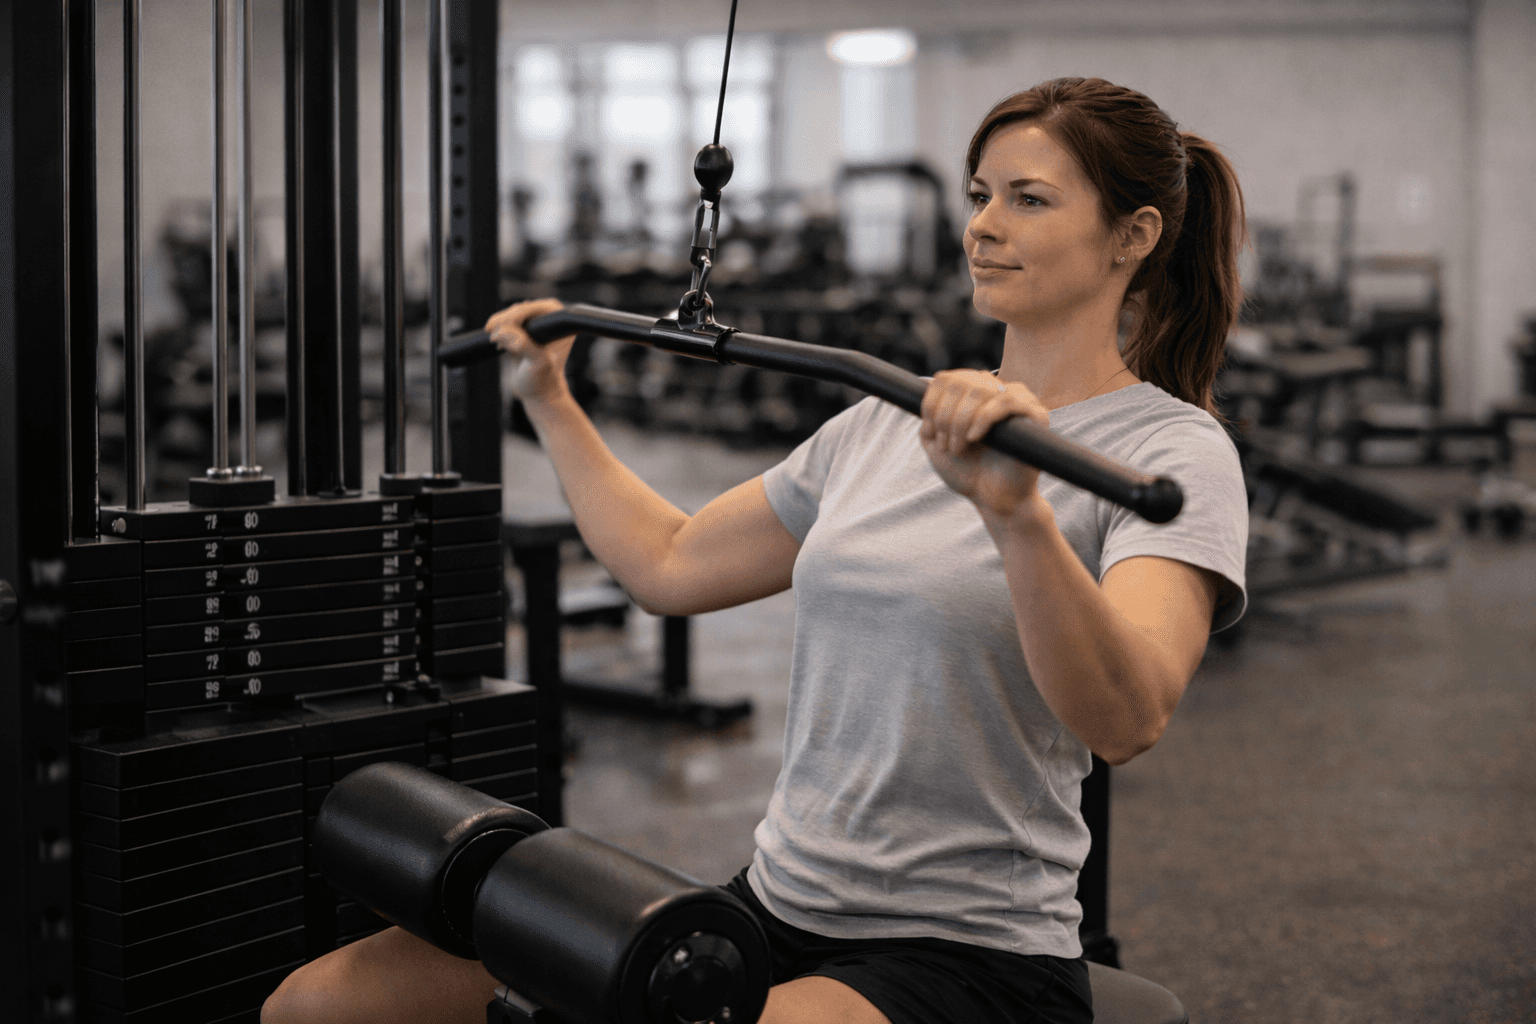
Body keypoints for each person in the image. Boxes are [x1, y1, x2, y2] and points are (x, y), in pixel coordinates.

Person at [263, 76, 1249, 1024]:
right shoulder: (881, 419)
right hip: (773, 906)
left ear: (1135, 235)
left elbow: (1127, 715)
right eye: (981, 194)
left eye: (1029, 200)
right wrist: (550, 401)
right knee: (329, 1001)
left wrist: (1016, 514)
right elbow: (671, 563)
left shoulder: (1171, 451)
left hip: (969, 953)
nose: (984, 225)